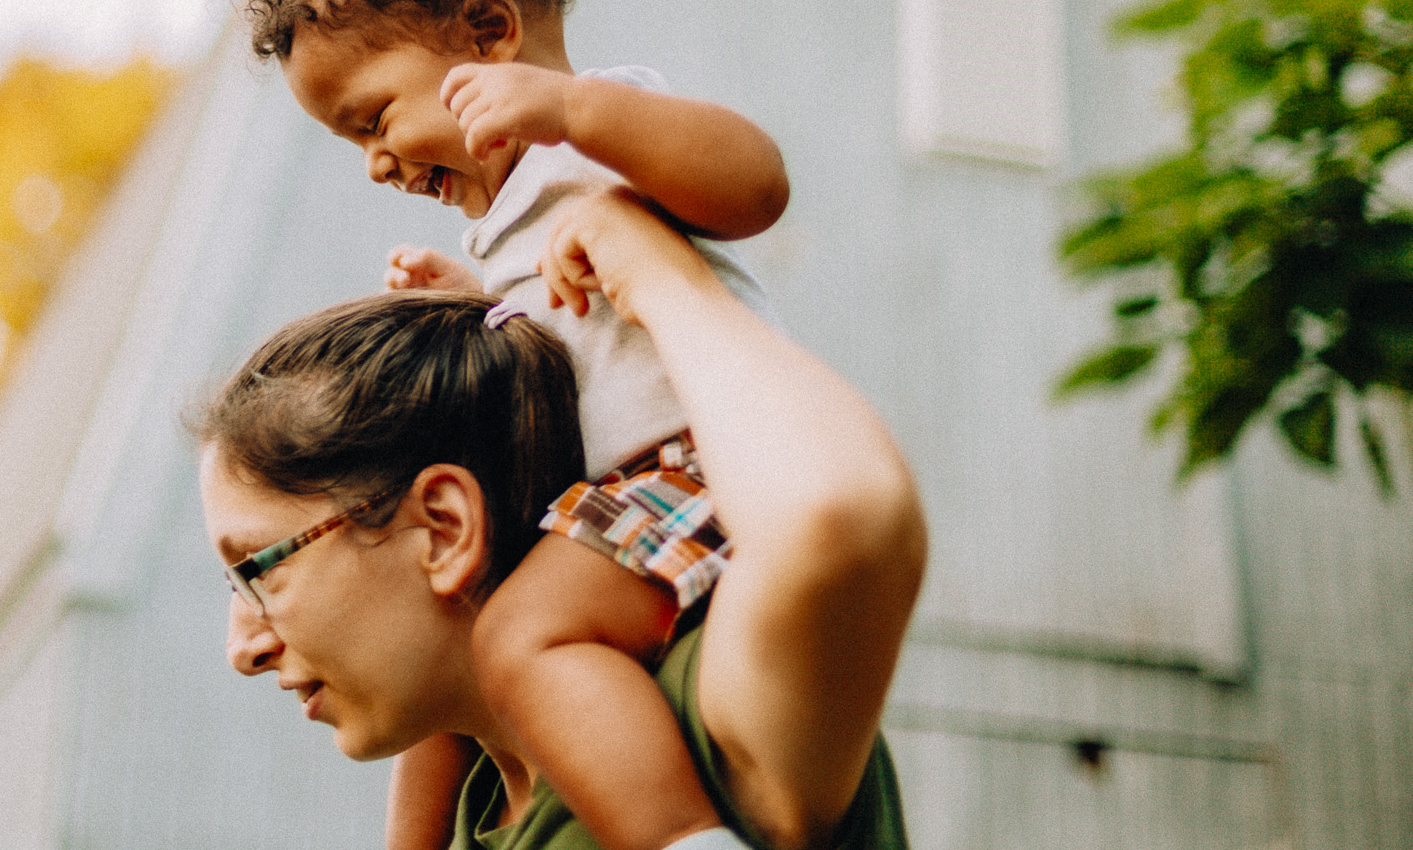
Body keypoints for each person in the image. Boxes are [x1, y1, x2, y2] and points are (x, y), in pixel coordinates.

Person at [241, 0, 791, 850]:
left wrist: (575, 109)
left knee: (520, 635)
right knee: (447, 643)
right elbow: (561, 341)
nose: (373, 164)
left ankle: (679, 836)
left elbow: (754, 183)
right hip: (605, 505)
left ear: (489, 31)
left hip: (696, 470)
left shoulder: (600, 131)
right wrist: (478, 297)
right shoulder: (501, 226)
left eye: (373, 120)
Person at [193, 189, 925, 849]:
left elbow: (840, 512)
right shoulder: (458, 808)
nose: (241, 647)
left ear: (444, 529)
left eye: (258, 568)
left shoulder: (708, 722)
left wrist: (659, 280)